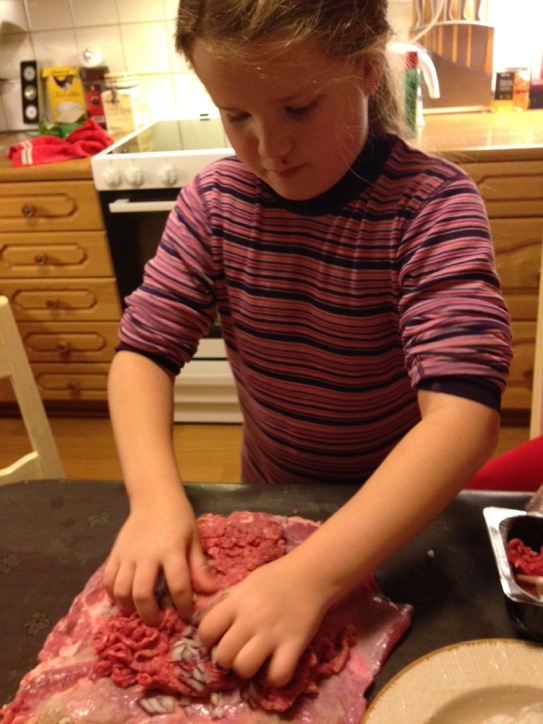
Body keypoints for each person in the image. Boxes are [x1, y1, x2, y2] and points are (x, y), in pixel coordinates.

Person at [104, 0, 512, 688]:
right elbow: (142, 355)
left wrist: (313, 577)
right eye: (237, 116)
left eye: (297, 108)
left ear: (365, 70)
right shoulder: (213, 203)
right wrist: (152, 500)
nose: (270, 147)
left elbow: (463, 420)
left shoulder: (430, 206)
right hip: (275, 496)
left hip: (400, 521)